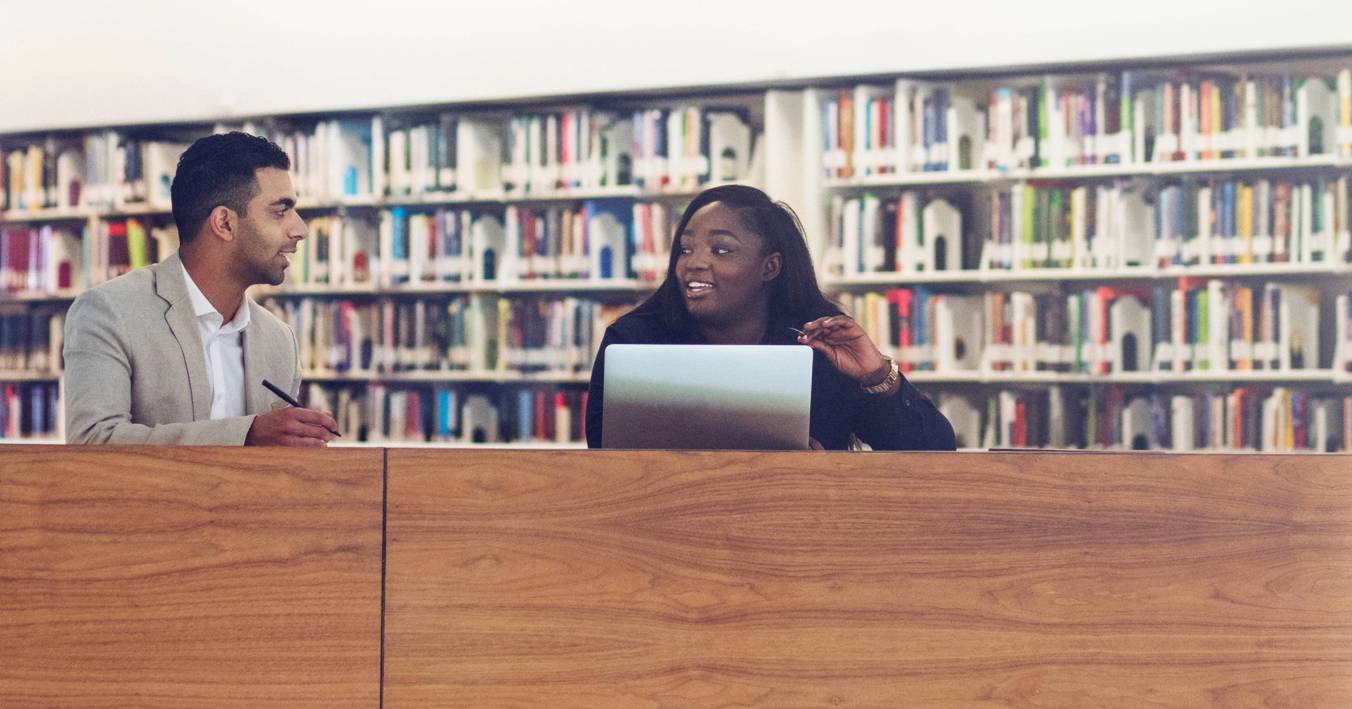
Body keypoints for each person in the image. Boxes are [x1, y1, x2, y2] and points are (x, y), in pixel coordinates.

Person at [585, 184, 956, 450]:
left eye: (720, 250)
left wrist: (877, 376)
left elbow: (935, 452)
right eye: (685, 248)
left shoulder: (820, 347)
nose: (694, 263)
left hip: (798, 534)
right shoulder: (634, 341)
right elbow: (603, 461)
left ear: (769, 267)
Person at [63, 131, 337, 446]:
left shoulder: (279, 341)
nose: (299, 229)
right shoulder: (109, 313)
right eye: (281, 211)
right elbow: (93, 443)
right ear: (224, 223)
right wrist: (246, 435)